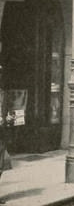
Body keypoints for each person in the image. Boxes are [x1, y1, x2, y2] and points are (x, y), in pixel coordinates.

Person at [0, 66, 12, 205]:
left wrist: (8, 117)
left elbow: (7, 110)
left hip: (1, 133)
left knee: (0, 165)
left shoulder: (3, 94)